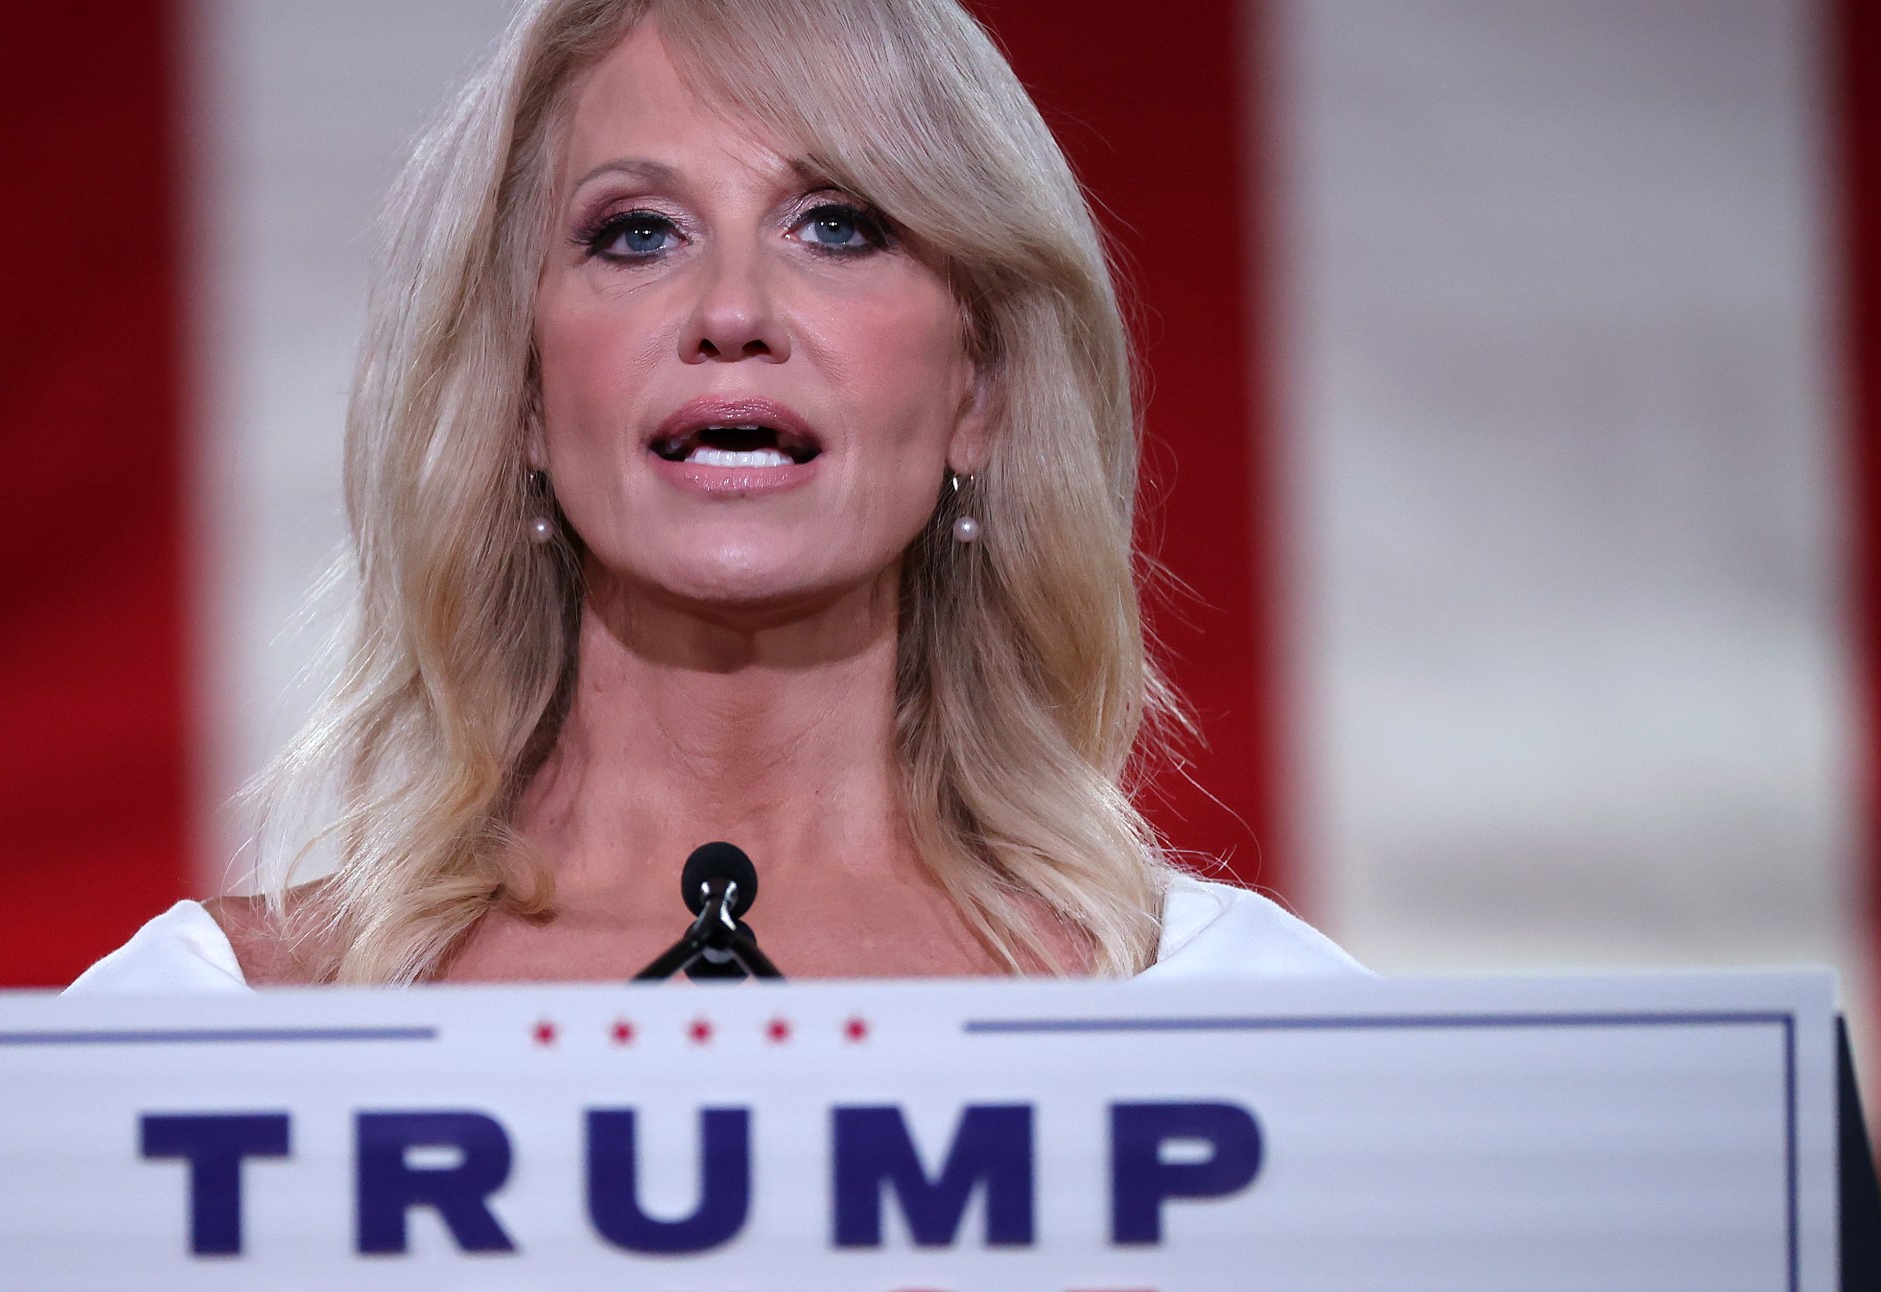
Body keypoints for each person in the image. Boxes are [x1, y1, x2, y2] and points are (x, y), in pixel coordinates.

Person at [73, 0, 1362, 994]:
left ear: (980, 386)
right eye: (637, 232)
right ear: (521, 394)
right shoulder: (215, 1028)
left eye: (839, 225)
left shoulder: (1239, 1016)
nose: (733, 313)